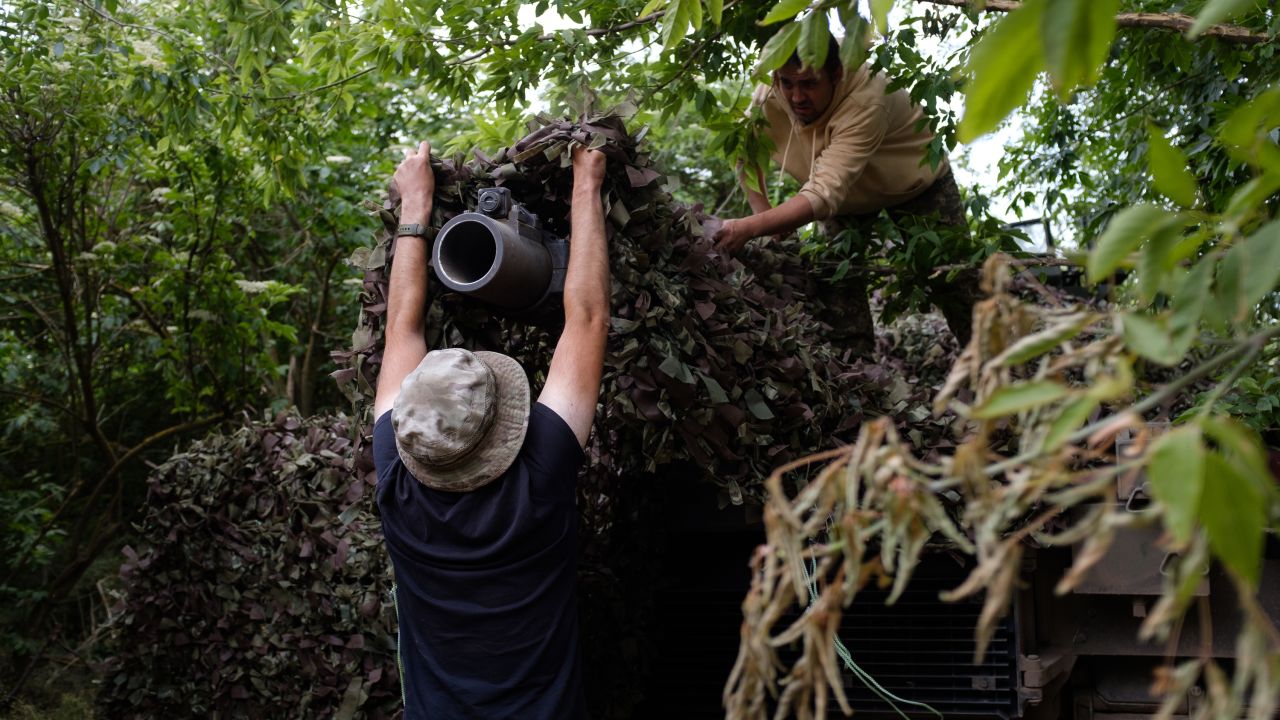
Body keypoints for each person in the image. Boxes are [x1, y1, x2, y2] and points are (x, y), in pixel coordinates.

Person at [372, 139, 609, 719]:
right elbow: (588, 315)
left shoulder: (395, 483)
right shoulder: (539, 474)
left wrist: (413, 209)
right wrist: (587, 184)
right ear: (505, 429)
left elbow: (400, 327)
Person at [712, 37, 977, 351]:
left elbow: (823, 193)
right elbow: (746, 151)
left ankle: (998, 374)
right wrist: (764, 215)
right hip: (844, 201)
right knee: (837, 284)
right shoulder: (771, 88)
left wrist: (750, 229)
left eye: (809, 84)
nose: (797, 96)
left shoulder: (868, 97)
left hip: (914, 183)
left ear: (836, 74)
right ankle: (859, 382)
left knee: (955, 282)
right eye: (788, 83)